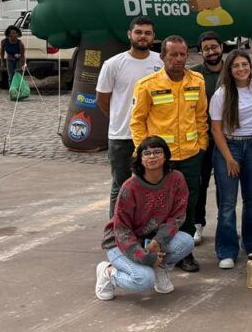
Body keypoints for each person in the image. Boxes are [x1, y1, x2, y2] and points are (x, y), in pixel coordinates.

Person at [129, 35, 208, 272]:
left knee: (188, 206)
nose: (179, 59)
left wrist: (202, 145)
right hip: (161, 162)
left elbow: (201, 116)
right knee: (159, 207)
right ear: (162, 56)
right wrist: (146, 155)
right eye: (173, 54)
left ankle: (185, 253)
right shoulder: (147, 85)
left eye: (183, 54)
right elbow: (137, 122)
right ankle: (155, 251)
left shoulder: (198, 81)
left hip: (192, 157)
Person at [95, 137, 194, 300]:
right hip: (120, 243)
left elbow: (176, 217)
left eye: (157, 152)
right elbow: (122, 230)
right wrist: (145, 257)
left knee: (186, 241)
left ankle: (160, 268)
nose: (152, 156)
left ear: (166, 156)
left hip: (151, 239)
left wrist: (158, 242)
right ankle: (108, 272)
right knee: (143, 280)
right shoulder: (130, 187)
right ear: (140, 159)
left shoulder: (176, 179)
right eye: (147, 153)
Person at [96, 16, 164, 218]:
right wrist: (119, 118)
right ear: (129, 34)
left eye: (147, 33)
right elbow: (103, 98)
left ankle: (145, 231)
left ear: (153, 37)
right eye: (138, 32)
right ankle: (115, 232)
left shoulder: (160, 62)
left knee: (151, 186)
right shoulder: (113, 64)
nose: (143, 36)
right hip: (122, 137)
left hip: (152, 138)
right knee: (121, 186)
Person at [208, 50, 252, 269]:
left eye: (245, 64)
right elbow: (215, 129)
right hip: (228, 146)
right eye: (236, 66)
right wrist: (230, 159)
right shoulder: (221, 94)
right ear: (229, 70)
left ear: (250, 66)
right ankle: (226, 250)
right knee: (228, 203)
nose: (241, 69)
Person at [188, 31, 223, 246]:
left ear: (221, 47)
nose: (211, 51)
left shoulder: (231, 71)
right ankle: (196, 224)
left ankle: (224, 225)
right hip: (200, 139)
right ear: (201, 52)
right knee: (198, 184)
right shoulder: (193, 75)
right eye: (206, 48)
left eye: (214, 47)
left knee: (224, 185)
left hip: (226, 139)